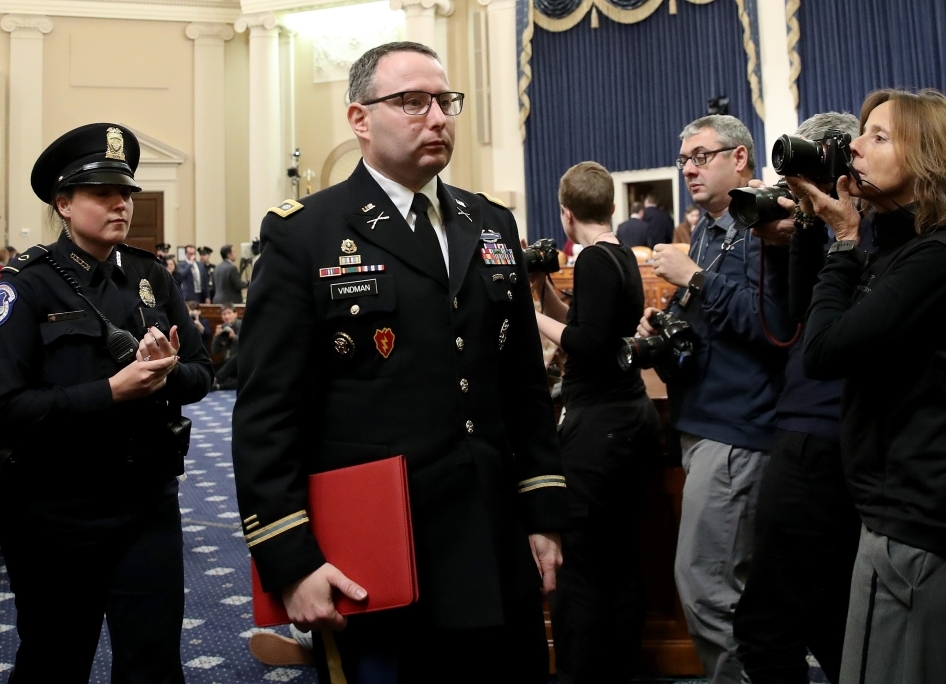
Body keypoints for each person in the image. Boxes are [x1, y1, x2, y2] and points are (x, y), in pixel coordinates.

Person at [232, 41, 568, 684]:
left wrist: (545, 514)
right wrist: (290, 559)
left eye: (445, 101)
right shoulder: (306, 232)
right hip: (383, 551)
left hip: (497, 538)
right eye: (413, 102)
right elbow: (268, 412)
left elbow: (523, 385)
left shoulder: (489, 222)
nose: (438, 117)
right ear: (360, 118)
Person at [791, 88, 946, 684]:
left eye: (878, 136)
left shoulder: (941, 260)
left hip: (922, 534)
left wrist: (845, 241)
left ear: (931, 160)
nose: (854, 145)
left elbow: (825, 353)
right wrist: (831, 233)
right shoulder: (914, 253)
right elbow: (804, 317)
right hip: (902, 524)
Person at [0, 123, 213, 682]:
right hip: (54, 511)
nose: (120, 204)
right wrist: (111, 392)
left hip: (147, 503)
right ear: (64, 204)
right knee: (55, 659)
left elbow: (202, 375)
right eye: (101, 193)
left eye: (126, 193)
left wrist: (165, 373)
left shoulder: (150, 277)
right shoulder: (25, 285)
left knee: (153, 661)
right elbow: (8, 408)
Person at [637, 114, 790, 684]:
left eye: (702, 156)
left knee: (706, 590)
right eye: (685, 160)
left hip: (736, 428)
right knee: (722, 592)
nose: (690, 170)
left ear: (741, 159)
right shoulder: (707, 227)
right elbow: (716, 319)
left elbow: (772, 327)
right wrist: (670, 316)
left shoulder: (766, 228)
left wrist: (695, 279)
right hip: (701, 420)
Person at [733, 112, 865, 684]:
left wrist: (831, 230)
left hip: (818, 432)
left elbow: (822, 336)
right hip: (821, 428)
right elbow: (796, 317)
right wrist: (797, 236)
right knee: (831, 615)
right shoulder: (837, 231)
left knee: (769, 626)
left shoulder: (865, 233)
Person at [533, 162, 661, 684]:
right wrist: (543, 293)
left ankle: (583, 672)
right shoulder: (620, 255)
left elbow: (588, 343)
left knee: (581, 566)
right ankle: (621, 668)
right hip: (627, 418)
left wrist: (529, 319)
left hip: (600, 428)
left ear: (567, 213)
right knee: (619, 557)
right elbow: (589, 322)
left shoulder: (592, 261)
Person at [211, 304, 240, 390]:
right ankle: (217, 383)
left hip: (241, 363)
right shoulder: (222, 328)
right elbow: (214, 351)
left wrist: (234, 337)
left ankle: (217, 380)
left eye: (229, 313)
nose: (227, 316)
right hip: (227, 364)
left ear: (236, 314)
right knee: (209, 365)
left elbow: (247, 348)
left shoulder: (242, 326)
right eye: (224, 314)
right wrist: (216, 336)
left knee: (238, 356)